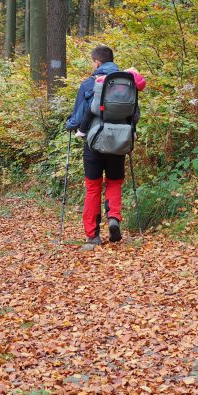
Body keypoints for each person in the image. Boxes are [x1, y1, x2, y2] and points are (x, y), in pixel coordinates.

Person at [64, 45, 144, 250]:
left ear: (97, 62)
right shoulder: (126, 84)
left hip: (94, 142)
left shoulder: (89, 84)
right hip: (119, 142)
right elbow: (134, 115)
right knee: (114, 183)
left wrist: (70, 125)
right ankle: (114, 219)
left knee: (93, 187)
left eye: (93, 62)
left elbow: (79, 115)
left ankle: (92, 236)